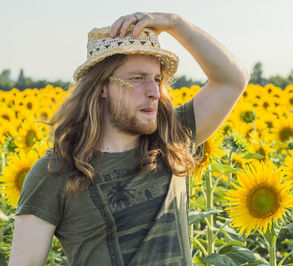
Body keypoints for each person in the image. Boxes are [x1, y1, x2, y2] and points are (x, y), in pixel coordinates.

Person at [8, 12, 249, 265]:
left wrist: (176, 24)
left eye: (157, 79)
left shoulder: (172, 140)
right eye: (137, 79)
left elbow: (233, 79)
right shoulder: (55, 173)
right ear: (101, 87)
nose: (154, 92)